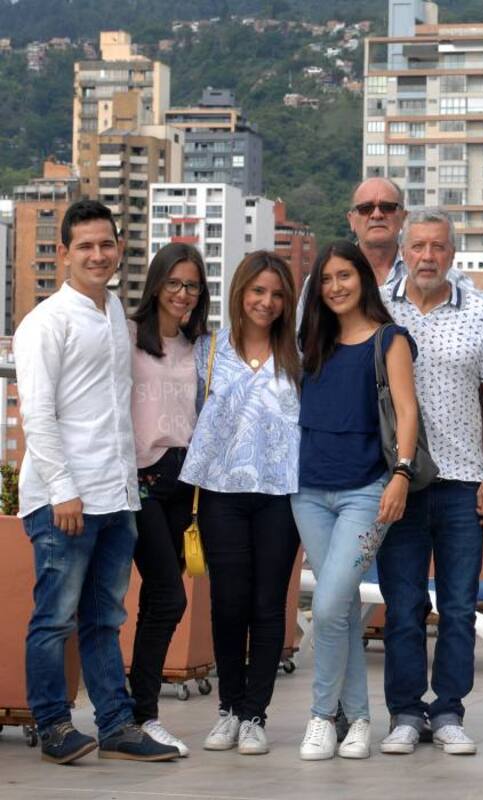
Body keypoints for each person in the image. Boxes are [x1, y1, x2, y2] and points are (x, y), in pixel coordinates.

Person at [14, 199, 179, 764]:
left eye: (106, 244)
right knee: (54, 618)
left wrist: (128, 493)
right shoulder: (44, 323)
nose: (97, 254)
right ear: (63, 253)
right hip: (65, 497)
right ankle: (54, 724)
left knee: (105, 618)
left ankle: (115, 723)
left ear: (119, 250)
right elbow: (38, 413)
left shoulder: (115, 316)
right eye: (84, 245)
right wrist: (62, 489)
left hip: (116, 495)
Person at [376, 208, 483, 756]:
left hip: (461, 483)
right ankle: (406, 713)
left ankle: (450, 710)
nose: (427, 256)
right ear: (404, 253)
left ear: (451, 255)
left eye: (438, 247)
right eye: (418, 247)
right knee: (402, 603)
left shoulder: (480, 312)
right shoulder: (379, 309)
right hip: (399, 484)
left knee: (458, 606)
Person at [293, 241, 419, 761]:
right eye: (326, 280)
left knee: (326, 605)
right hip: (308, 491)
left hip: (366, 490)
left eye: (345, 276)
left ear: (363, 279)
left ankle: (322, 715)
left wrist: (402, 476)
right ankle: (360, 720)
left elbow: (408, 412)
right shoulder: (311, 342)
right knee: (339, 606)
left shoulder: (389, 340)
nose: (336, 287)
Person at [180, 251, 303, 757]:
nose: (266, 302)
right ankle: (229, 708)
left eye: (276, 294)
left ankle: (255, 713)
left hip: (280, 494)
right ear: (240, 293)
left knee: (267, 606)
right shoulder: (207, 350)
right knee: (228, 604)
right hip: (220, 493)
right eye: (258, 291)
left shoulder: (300, 354)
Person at [126, 242, 212, 757]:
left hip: (186, 482)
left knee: (163, 598)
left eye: (193, 286)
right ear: (157, 284)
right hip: (141, 481)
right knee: (168, 597)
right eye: (175, 283)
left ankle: (138, 710)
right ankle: (143, 713)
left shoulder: (199, 345)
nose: (183, 294)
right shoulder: (128, 339)